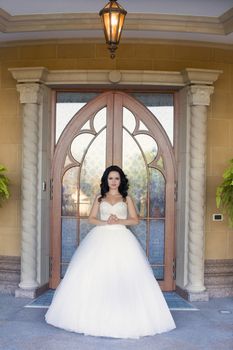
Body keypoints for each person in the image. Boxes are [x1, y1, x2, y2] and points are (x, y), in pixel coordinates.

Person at [45, 165, 176, 339]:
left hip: (122, 238)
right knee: (95, 274)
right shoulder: (100, 198)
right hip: (100, 237)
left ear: (121, 181)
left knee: (125, 275)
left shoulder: (126, 197)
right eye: (110, 178)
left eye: (117, 178)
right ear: (106, 180)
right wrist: (106, 222)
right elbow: (91, 218)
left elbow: (135, 220)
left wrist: (119, 220)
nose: (113, 181)